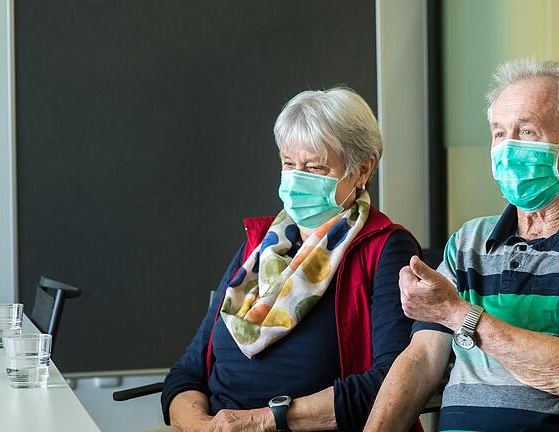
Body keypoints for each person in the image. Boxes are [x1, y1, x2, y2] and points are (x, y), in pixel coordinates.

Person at [364, 59, 559, 432]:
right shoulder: (469, 242)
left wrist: (460, 315)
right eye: (499, 133)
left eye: (526, 132)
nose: (507, 149)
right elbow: (423, 360)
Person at [162, 87, 420, 432]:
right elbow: (188, 372)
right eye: (288, 164)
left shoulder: (386, 248)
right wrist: (201, 426)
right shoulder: (260, 245)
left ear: (362, 170)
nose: (297, 178)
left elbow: (391, 383)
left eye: (315, 168)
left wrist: (262, 422)